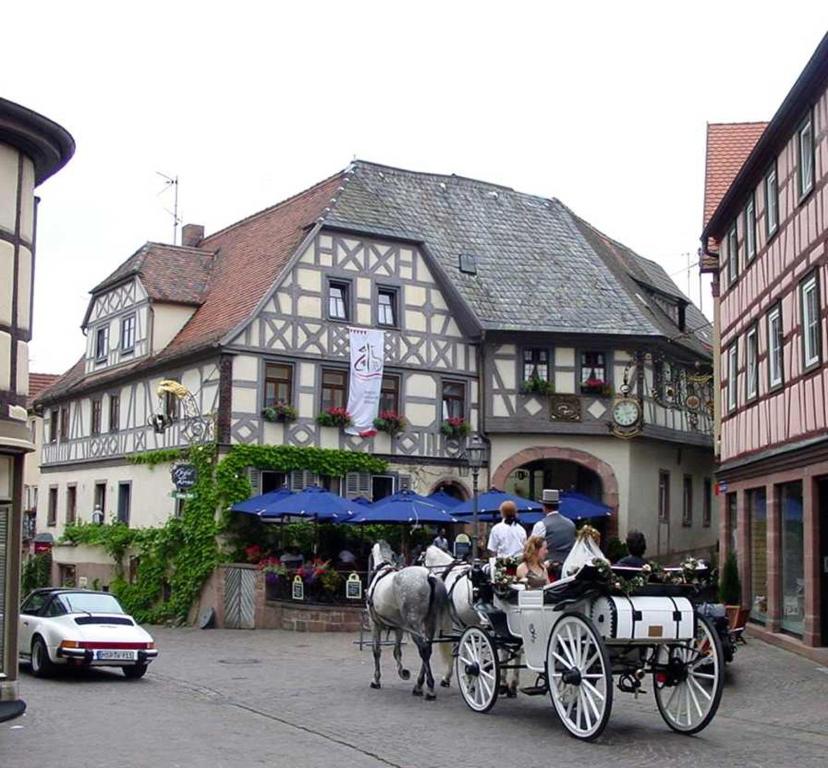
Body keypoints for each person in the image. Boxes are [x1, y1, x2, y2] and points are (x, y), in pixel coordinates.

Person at [531, 489, 576, 563]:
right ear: (558, 506)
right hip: (567, 566)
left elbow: (532, 548)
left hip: (548, 567)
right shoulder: (571, 524)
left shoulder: (541, 525)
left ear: (544, 507)